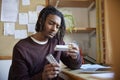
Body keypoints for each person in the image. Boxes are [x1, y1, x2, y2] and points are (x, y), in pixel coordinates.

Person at [8, 6, 82, 80]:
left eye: (57, 26)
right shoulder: (21, 48)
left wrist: (75, 57)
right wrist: (42, 77)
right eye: (51, 23)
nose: (54, 29)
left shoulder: (57, 42)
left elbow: (74, 66)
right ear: (41, 21)